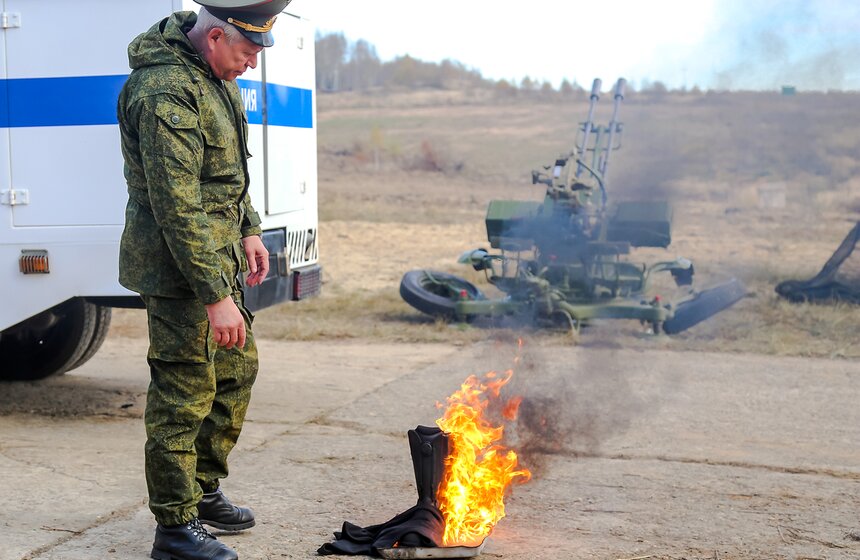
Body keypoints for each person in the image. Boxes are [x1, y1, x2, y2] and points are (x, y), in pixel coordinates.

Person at [116, 1, 289, 558]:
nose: (251, 65)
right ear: (215, 37)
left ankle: (201, 489)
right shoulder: (165, 91)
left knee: (237, 371)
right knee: (184, 394)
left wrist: (250, 230)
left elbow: (226, 173)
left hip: (218, 257)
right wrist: (215, 295)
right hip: (179, 271)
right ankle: (174, 527)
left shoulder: (214, 77)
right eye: (246, 52)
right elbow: (177, 204)